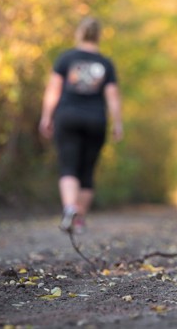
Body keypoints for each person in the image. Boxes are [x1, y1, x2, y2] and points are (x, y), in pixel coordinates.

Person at [39, 17, 123, 234]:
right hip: (96, 120)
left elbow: (53, 90)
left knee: (69, 166)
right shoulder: (105, 63)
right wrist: (117, 123)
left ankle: (69, 209)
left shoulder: (66, 58)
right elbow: (112, 96)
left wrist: (47, 116)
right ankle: (79, 221)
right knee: (87, 170)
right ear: (98, 36)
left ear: (79, 34)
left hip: (68, 117)